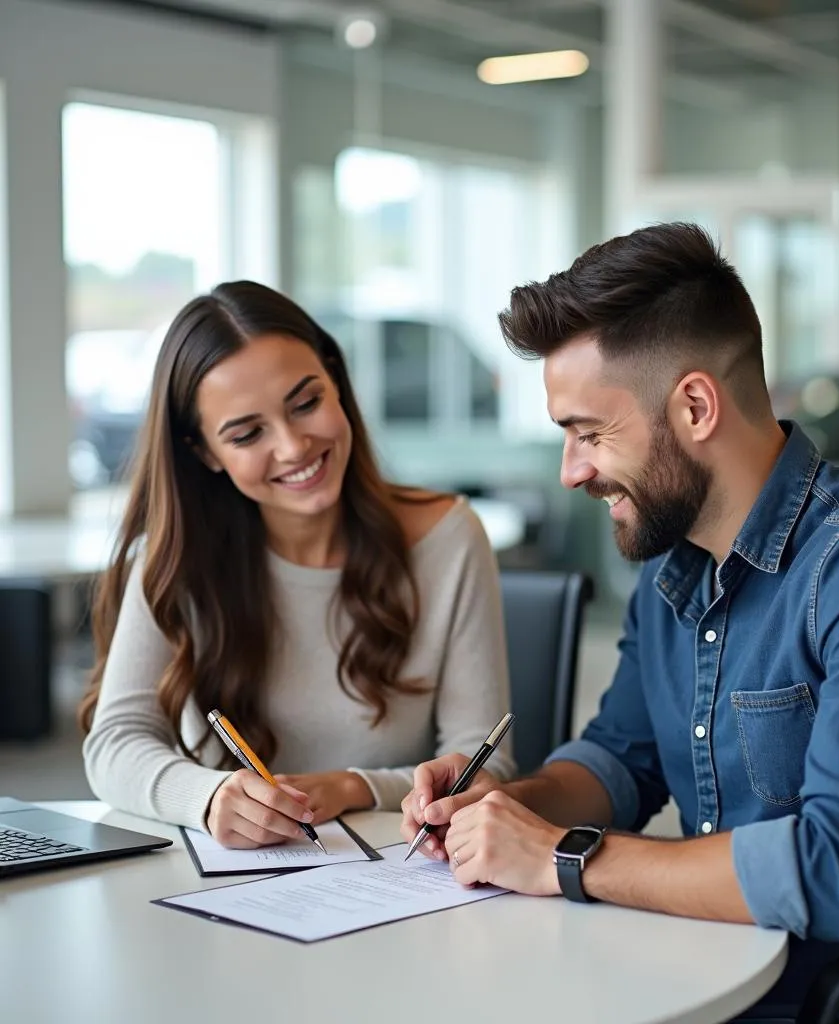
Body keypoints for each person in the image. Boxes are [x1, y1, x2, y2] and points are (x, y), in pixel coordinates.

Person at [400, 224, 839, 1022]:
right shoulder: (671, 564)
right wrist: (507, 805)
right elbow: (622, 762)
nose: (572, 470)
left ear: (695, 406)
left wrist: (565, 857)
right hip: (699, 983)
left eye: (589, 434)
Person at [80, 280, 514, 849]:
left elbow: (487, 764)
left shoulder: (449, 538)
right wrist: (209, 797)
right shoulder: (179, 556)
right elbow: (114, 743)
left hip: (404, 880)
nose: (293, 447)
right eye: (247, 433)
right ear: (205, 452)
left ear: (336, 381)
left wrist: (353, 786)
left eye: (306, 403)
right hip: (224, 889)